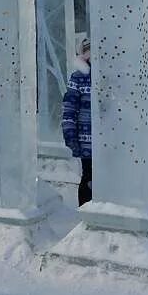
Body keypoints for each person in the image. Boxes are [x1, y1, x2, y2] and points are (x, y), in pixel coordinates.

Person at [62, 36, 94, 207]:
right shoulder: (79, 77)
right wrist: (70, 133)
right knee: (89, 176)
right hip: (87, 139)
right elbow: (69, 107)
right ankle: (86, 212)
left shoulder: (108, 75)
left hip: (107, 141)